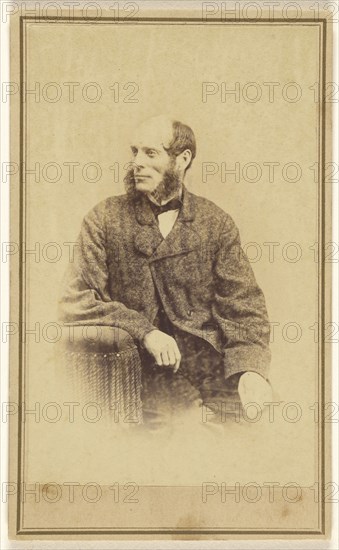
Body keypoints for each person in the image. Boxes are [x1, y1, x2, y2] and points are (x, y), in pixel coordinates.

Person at [59, 115, 272, 427]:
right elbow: (75, 300)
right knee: (184, 436)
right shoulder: (104, 219)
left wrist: (251, 369)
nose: (137, 163)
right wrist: (145, 331)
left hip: (212, 364)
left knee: (265, 429)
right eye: (135, 152)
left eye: (150, 153)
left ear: (182, 159)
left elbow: (243, 306)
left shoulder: (216, 222)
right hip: (147, 370)